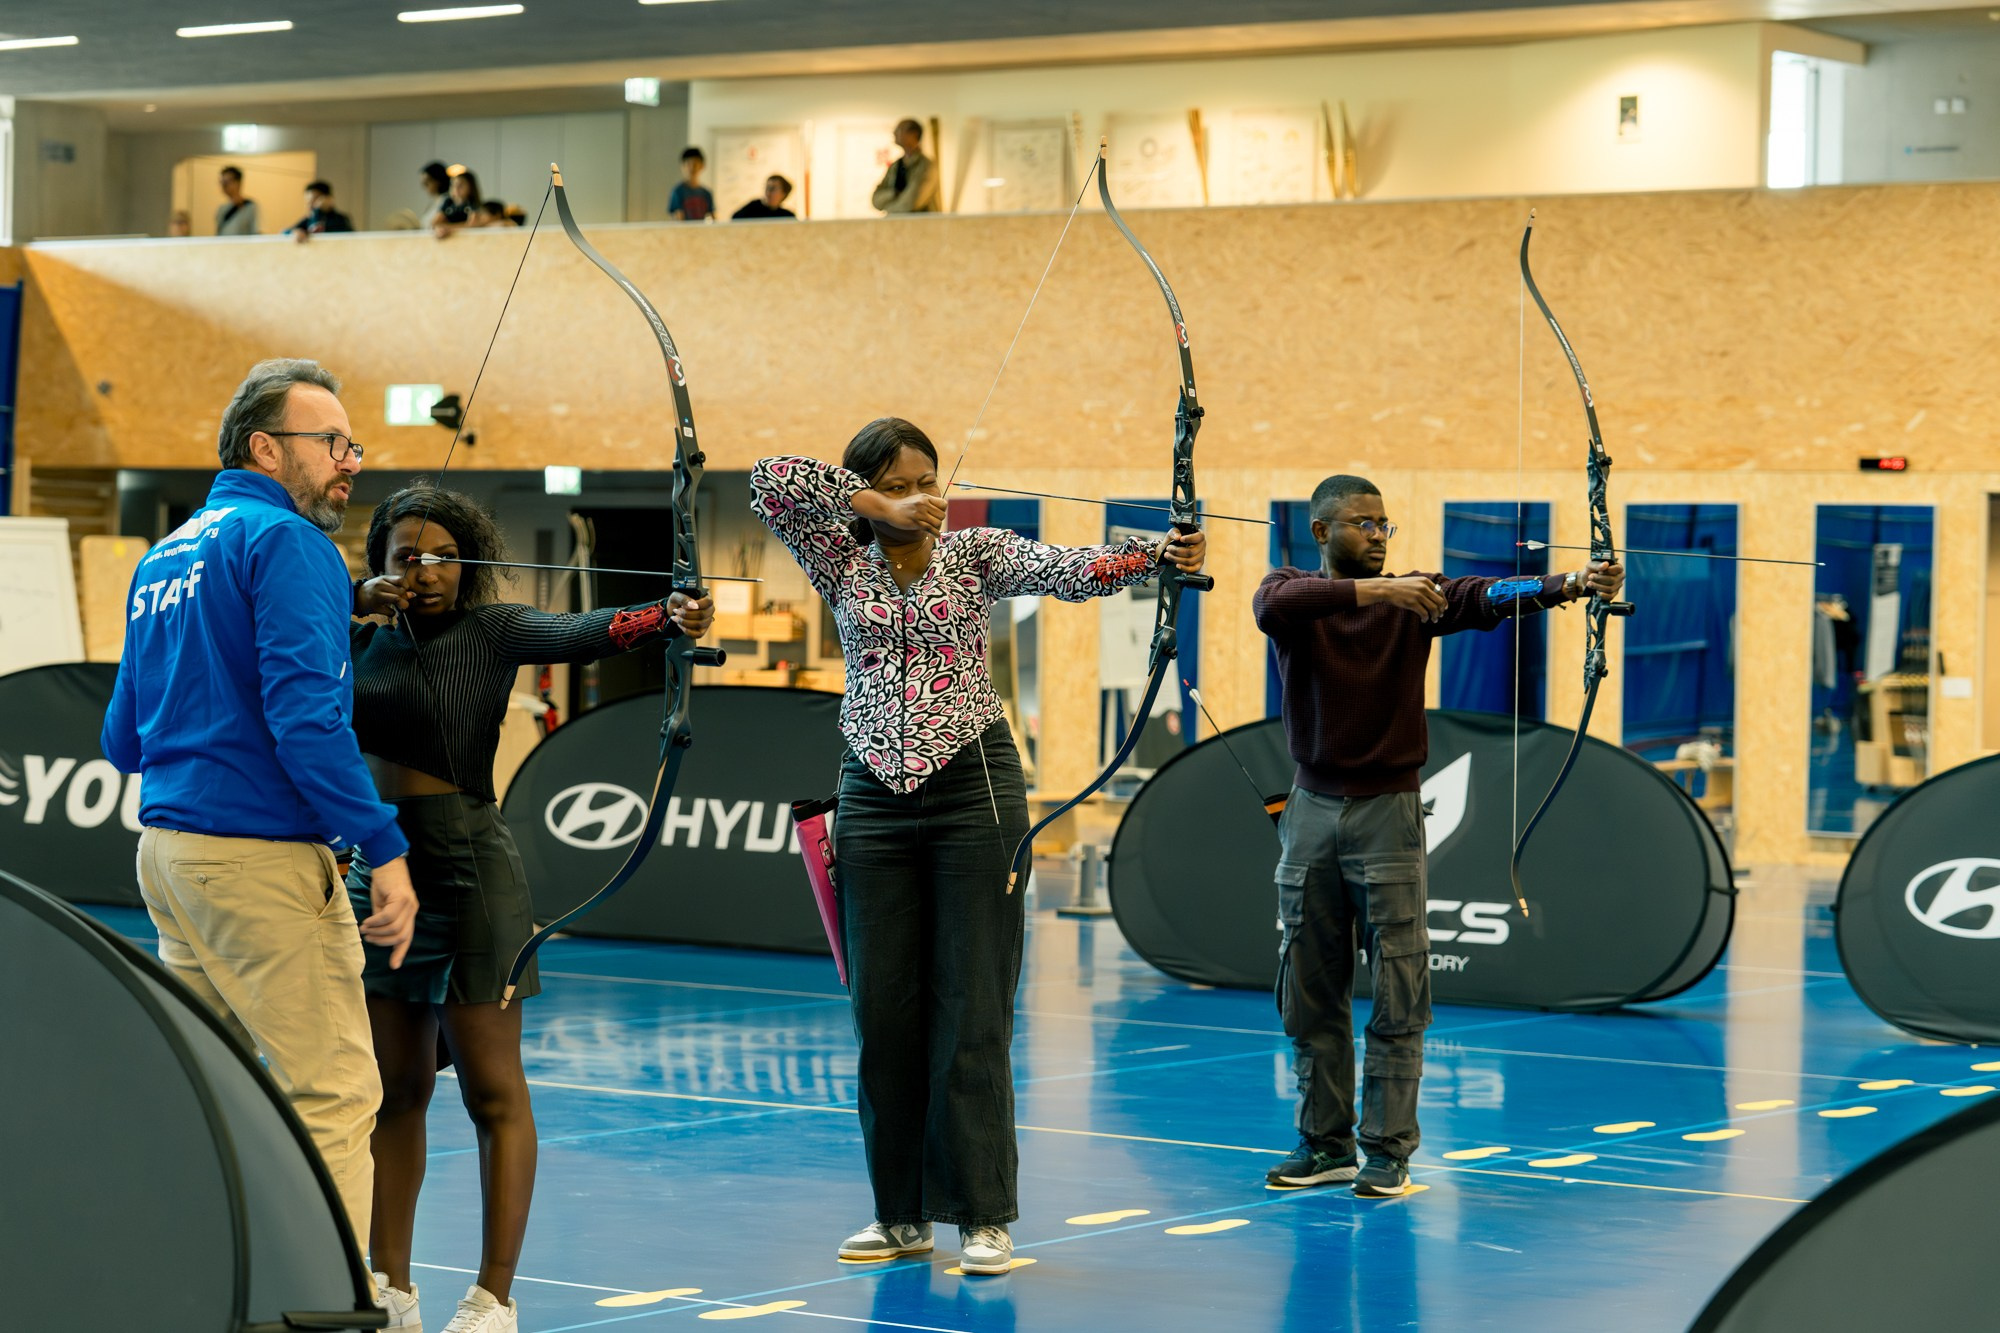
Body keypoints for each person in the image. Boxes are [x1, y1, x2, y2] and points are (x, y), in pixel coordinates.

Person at [750, 421, 1206, 1274]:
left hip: (974, 787)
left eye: (933, 480)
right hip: (872, 793)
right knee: (883, 1013)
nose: (930, 497)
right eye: (904, 483)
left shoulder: (977, 552)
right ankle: (899, 1215)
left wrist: (1158, 554)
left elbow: (1071, 569)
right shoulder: (836, 557)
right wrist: (873, 504)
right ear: (867, 489)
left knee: (974, 1006)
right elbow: (771, 477)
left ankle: (983, 1215)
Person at [346, 485, 713, 1333]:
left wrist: (673, 613)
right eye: (406, 553)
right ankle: (390, 1285)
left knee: (491, 1092)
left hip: (471, 870)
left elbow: (592, 630)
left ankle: (493, 1298)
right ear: (380, 559)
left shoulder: (494, 628)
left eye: (442, 554)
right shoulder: (356, 634)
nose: (425, 570)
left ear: (466, 561)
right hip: (383, 874)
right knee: (393, 1090)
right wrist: (350, 603)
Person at [100, 358, 418, 1270]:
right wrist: (384, 847)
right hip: (258, 864)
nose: (349, 461)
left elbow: (125, 739)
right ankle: (318, 1299)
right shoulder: (289, 544)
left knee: (207, 1086)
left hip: (169, 857)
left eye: (354, 444)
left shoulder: (168, 549)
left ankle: (188, 1279)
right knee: (336, 1092)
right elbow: (307, 724)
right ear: (265, 446)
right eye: (331, 443)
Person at [1254, 474, 1624, 1197]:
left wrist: (1575, 581)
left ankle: (1387, 1149)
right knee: (1308, 985)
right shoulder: (1293, 592)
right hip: (1310, 811)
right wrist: (1383, 593)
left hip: (1388, 811)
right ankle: (1324, 1143)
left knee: (1400, 981)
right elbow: (1275, 604)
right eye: (1363, 523)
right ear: (1322, 532)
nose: (1379, 535)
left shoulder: (1418, 597)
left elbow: (1489, 596)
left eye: (1385, 524)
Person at [870, 120, 939, 214]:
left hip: (919, 225)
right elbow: (876, 200)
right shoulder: (895, 166)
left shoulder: (926, 166)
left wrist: (888, 208)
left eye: (899, 130)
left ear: (913, 134)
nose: (894, 133)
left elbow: (912, 202)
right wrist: (893, 193)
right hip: (896, 225)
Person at [287, 180, 355, 241]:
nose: (310, 206)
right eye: (308, 202)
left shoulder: (340, 219)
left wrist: (318, 211)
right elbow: (285, 232)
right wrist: (295, 232)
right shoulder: (309, 219)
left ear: (328, 199)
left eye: (314, 201)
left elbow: (317, 231)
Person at [432, 169, 485, 237]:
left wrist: (448, 228)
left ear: (470, 187)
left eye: (460, 185)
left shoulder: (472, 203)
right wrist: (440, 228)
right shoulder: (448, 202)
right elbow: (434, 223)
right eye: (453, 185)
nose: (456, 188)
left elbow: (472, 224)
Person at [668, 147, 714, 221]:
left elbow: (712, 217)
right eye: (688, 164)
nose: (692, 168)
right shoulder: (678, 192)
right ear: (683, 166)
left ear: (702, 166)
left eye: (695, 164)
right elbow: (677, 218)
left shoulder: (706, 193)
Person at [215, 164, 259, 235]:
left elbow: (256, 232)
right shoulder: (221, 209)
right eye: (222, 182)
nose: (224, 186)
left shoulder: (250, 207)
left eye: (227, 182)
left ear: (238, 183)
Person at [731, 174, 797, 220]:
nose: (768, 192)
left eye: (773, 189)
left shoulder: (787, 216)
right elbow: (735, 220)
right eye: (767, 188)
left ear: (783, 193)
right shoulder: (752, 207)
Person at [419, 160, 452, 229]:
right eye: (423, 183)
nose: (425, 186)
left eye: (427, 182)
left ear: (438, 181)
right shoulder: (433, 202)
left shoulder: (448, 201)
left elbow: (434, 225)